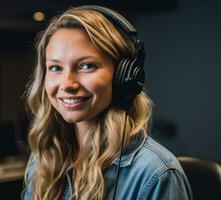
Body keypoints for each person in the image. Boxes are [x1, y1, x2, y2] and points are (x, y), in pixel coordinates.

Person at [22, 5, 193, 200]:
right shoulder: (43, 161)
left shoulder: (156, 173)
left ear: (124, 76)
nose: (67, 84)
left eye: (87, 66)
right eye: (55, 67)